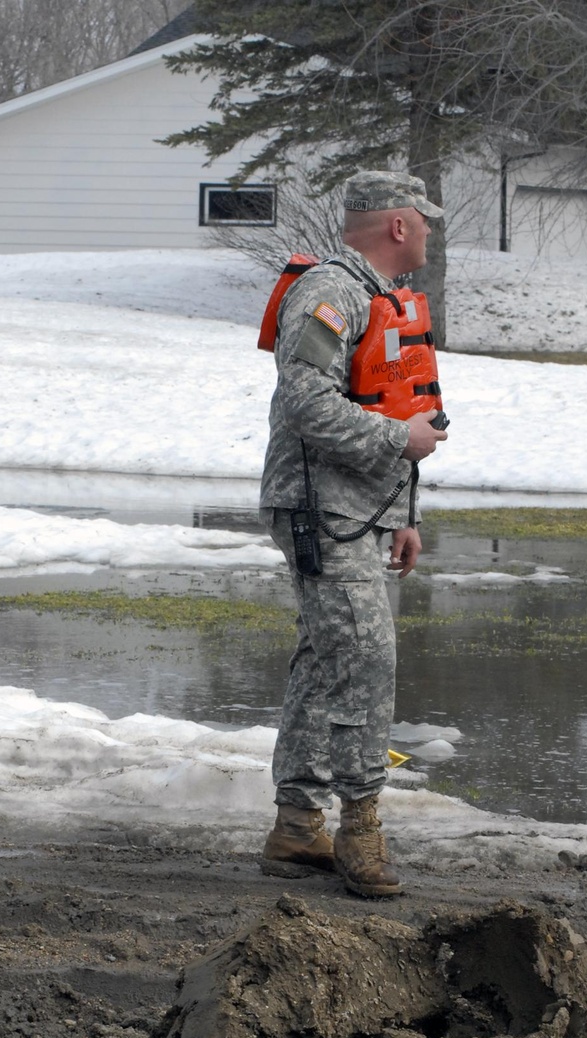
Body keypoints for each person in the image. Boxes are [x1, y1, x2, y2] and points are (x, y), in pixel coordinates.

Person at [260, 170, 448, 898]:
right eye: (423, 219)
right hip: (318, 511)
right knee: (365, 656)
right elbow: (306, 402)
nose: (430, 230)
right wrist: (398, 442)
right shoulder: (331, 294)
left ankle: (297, 824)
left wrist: (404, 513)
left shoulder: (379, 298)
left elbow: (392, 401)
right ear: (397, 226)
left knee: (324, 656)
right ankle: (360, 828)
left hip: (360, 512)